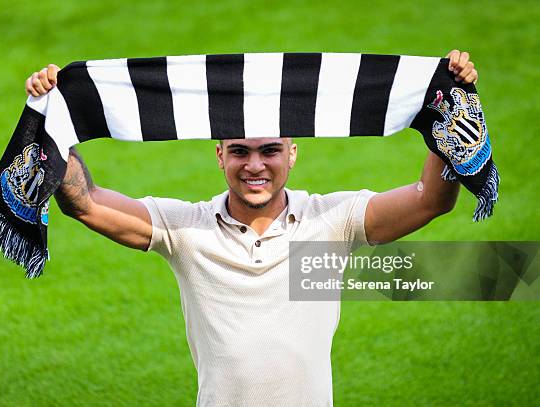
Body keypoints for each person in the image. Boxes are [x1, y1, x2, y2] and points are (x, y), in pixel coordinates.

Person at [26, 50, 478, 406]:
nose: (255, 166)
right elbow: (84, 202)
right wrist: (56, 115)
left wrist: (450, 105)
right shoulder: (185, 229)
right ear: (220, 155)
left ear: (293, 153)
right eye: (240, 151)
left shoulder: (332, 221)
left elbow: (431, 198)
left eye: (270, 151)